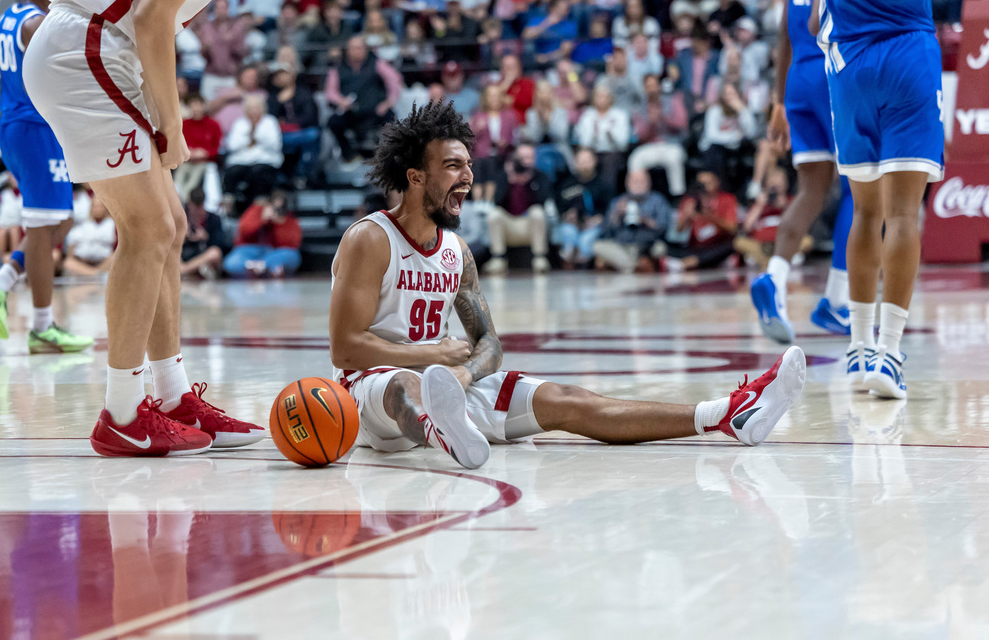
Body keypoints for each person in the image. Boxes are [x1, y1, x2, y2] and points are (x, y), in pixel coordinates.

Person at [328, 100, 807, 470]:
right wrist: (436, 359)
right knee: (405, 387)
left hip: (449, 384)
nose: (469, 177)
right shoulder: (371, 239)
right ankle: (442, 430)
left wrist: (466, 374)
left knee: (570, 401)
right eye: (454, 166)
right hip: (370, 390)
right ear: (415, 177)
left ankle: (726, 414)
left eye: (469, 165)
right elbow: (346, 350)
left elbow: (489, 344)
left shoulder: (458, 254)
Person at [23, 0, 266, 454]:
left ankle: (174, 397)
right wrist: (174, 126)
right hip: (87, 48)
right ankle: (122, 414)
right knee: (148, 229)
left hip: (108, 50)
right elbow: (153, 18)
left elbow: (149, 18)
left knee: (170, 227)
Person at [815, 0, 944, 399]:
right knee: (903, 214)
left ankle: (858, 349)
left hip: (851, 63)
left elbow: (816, 19)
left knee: (866, 212)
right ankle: (888, 354)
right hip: (910, 52)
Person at [0, 0, 94, 354]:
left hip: (21, 127)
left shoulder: (11, 15)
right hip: (33, 128)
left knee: (63, 219)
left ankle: (1, 282)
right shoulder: (39, 21)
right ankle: (42, 327)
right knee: (43, 226)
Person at [749, 0, 854, 344]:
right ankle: (838, 301)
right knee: (858, 189)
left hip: (796, 79)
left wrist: (778, 101)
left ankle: (774, 276)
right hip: (830, 69)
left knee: (811, 192)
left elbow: (784, 34)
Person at [325, 36, 401, 163]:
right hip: (351, 111)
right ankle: (349, 155)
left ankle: (389, 157)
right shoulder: (338, 68)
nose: (357, 51)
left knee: (391, 117)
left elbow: (394, 80)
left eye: (360, 48)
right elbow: (330, 92)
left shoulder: (377, 63)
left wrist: (388, 102)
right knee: (333, 122)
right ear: (347, 50)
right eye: (354, 48)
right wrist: (341, 101)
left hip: (375, 110)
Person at [484, 142, 552, 274]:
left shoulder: (541, 176)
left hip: (529, 224)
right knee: (494, 214)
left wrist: (529, 183)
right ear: (515, 159)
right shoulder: (504, 175)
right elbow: (496, 202)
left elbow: (543, 202)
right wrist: (510, 181)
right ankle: (498, 259)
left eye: (529, 158)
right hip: (509, 224)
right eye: (522, 158)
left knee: (537, 212)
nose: (525, 162)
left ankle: (539, 258)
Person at [593, 169, 671, 273]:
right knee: (597, 246)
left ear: (649, 183)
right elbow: (605, 232)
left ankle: (627, 266)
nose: (638, 185)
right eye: (634, 181)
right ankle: (633, 266)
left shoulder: (657, 200)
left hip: (648, 245)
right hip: (621, 246)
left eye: (642, 181)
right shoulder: (618, 202)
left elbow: (663, 228)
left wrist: (644, 220)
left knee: (660, 248)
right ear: (627, 183)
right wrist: (616, 215)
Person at [628, 74, 689, 197]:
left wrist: (664, 117)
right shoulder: (639, 108)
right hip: (649, 146)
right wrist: (650, 123)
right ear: (644, 88)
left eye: (654, 85)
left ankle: (677, 197)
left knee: (673, 159)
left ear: (659, 86)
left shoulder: (673, 100)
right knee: (635, 159)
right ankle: (637, 196)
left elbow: (683, 124)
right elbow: (639, 136)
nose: (652, 89)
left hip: (671, 144)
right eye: (648, 86)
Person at [665, 170, 739, 271]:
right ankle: (702, 261)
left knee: (732, 245)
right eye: (702, 184)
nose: (705, 187)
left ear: (717, 182)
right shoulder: (690, 200)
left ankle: (689, 263)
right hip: (697, 246)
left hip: (717, 244)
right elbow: (679, 229)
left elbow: (733, 228)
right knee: (667, 248)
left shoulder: (727, 199)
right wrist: (687, 215)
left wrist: (710, 217)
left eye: (709, 182)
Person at [223, 94, 284, 213]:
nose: (253, 111)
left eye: (256, 108)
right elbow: (232, 145)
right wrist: (248, 136)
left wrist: (256, 135)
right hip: (241, 161)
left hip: (265, 162)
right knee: (232, 173)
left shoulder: (270, 122)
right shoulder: (240, 123)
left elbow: (275, 145)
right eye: (250, 108)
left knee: (259, 172)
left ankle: (259, 209)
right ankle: (229, 210)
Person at [223, 190, 303, 278]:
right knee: (231, 262)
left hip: (271, 253)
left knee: (292, 255)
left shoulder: (287, 219)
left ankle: (262, 267)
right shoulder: (255, 210)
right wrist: (261, 221)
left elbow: (292, 243)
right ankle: (259, 269)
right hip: (247, 252)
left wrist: (278, 223)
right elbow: (244, 232)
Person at [556, 148, 612, 267]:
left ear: (594, 161)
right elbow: (559, 207)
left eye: (587, 161)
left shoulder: (603, 185)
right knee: (567, 232)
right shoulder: (567, 184)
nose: (584, 165)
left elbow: (609, 210)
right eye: (581, 162)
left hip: (593, 225)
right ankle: (568, 262)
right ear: (575, 163)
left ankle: (581, 267)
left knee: (586, 240)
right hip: (572, 225)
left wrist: (597, 219)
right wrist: (567, 216)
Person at [195, 0, 248, 102]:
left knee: (229, 107)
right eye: (218, 8)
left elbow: (241, 52)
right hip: (211, 73)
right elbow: (202, 52)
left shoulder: (237, 27)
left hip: (230, 74)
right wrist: (207, 48)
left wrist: (227, 42)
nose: (221, 11)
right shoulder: (207, 27)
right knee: (207, 104)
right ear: (214, 10)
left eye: (223, 8)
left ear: (228, 9)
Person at [174, 93, 223, 200]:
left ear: (204, 106)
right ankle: (178, 199)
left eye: (198, 105)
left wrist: (205, 153)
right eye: (193, 105)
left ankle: (184, 200)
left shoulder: (213, 125)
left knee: (193, 181)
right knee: (178, 180)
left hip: (204, 162)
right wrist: (187, 152)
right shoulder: (184, 124)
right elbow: (177, 145)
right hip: (186, 161)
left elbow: (218, 148)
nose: (196, 109)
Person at [62, 195, 116, 276]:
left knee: (114, 259)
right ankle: (95, 274)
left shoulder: (112, 225)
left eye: (99, 207)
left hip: (104, 262)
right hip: (84, 262)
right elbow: (71, 245)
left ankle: (95, 273)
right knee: (68, 263)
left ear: (105, 208)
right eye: (94, 206)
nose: (97, 209)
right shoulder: (83, 224)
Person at [180, 188, 225, 278]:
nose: (197, 211)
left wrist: (206, 237)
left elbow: (218, 245)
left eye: (199, 207)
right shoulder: (182, 218)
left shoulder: (213, 219)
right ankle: (188, 270)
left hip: (202, 255)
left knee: (215, 253)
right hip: (185, 253)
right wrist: (183, 237)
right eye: (194, 207)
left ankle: (185, 269)